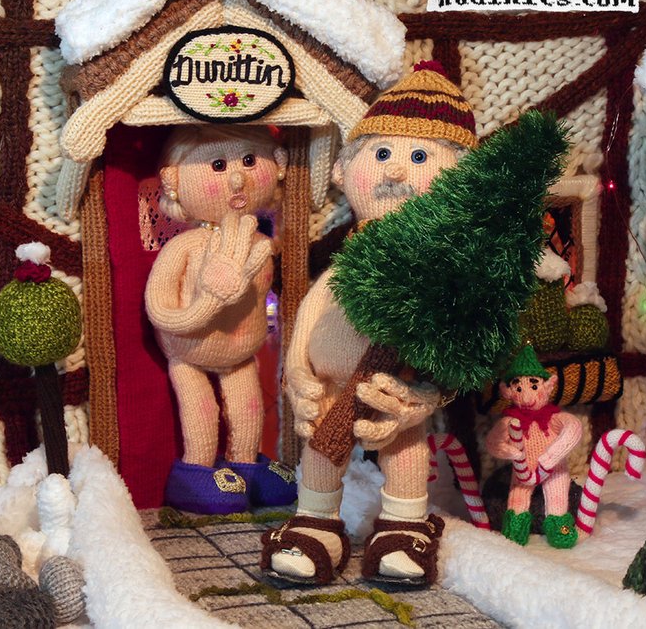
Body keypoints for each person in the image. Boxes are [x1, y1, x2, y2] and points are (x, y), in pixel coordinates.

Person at [261, 62, 478, 585]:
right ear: (343, 170)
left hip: (394, 391)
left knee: (404, 445)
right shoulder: (345, 260)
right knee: (321, 448)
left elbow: (454, 347)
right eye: (381, 154)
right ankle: (316, 522)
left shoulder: (440, 270)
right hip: (331, 388)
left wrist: (423, 395)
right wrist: (299, 373)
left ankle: (402, 526)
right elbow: (311, 313)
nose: (396, 172)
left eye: (420, 158)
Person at [145, 124, 296, 514]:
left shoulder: (262, 244)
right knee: (201, 412)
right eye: (217, 165)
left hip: (242, 352)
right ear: (175, 181)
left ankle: (245, 465)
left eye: (249, 160)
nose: (237, 178)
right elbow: (159, 308)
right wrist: (207, 303)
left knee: (249, 410)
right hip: (189, 352)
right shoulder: (185, 246)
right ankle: (196, 470)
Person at [486, 344, 582, 548]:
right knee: (517, 499)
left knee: (558, 499)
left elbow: (574, 428)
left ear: (547, 386)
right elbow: (493, 442)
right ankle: (515, 530)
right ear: (508, 392)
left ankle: (561, 529)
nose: (527, 396)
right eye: (519, 389)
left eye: (534, 386)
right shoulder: (510, 422)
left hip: (554, 469)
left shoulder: (553, 418)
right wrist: (511, 452)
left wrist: (550, 458)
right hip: (524, 470)